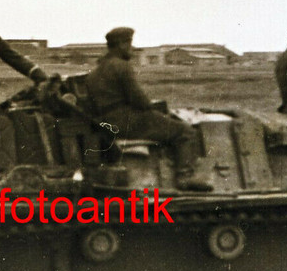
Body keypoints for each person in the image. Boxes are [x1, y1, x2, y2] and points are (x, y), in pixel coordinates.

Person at [85, 27, 212, 192]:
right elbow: (139, 100)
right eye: (130, 43)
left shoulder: (94, 73)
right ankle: (184, 177)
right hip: (130, 121)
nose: (132, 48)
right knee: (185, 132)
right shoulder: (121, 66)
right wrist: (153, 108)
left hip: (109, 123)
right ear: (122, 44)